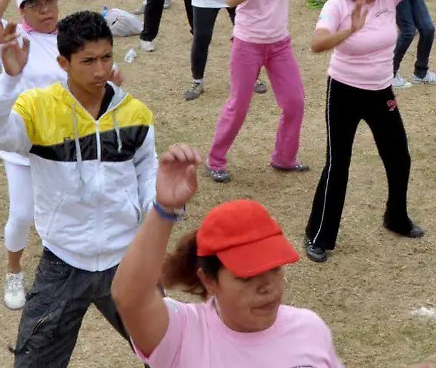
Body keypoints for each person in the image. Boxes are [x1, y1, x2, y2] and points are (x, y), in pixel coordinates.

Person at [0, 10, 156, 368]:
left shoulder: (135, 113)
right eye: (87, 61)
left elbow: (147, 170)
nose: (100, 71)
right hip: (64, 260)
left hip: (127, 261)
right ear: (63, 62)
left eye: (106, 58)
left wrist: (161, 203)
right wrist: (9, 81)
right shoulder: (37, 108)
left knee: (170, 355)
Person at [110, 144, 344, 367]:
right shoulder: (183, 335)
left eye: (274, 268)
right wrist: (164, 210)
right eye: (246, 277)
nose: (267, 287)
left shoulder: (310, 330)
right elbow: (129, 298)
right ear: (209, 280)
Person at [304, 0, 433, 263]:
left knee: (399, 156)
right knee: (338, 164)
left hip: (381, 91)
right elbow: (317, 45)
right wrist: (350, 30)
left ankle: (396, 217)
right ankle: (319, 235)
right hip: (344, 91)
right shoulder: (338, 5)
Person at [0, 0, 66, 309]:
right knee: (22, 214)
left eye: (51, 2)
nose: (46, 10)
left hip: (61, 142)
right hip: (22, 145)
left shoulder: (70, 36)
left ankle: (61, 269)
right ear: (23, 11)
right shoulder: (14, 38)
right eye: (37, 5)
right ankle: (14, 271)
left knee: (62, 210)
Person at [206, 0, 316, 182]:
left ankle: (284, 158)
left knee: (295, 103)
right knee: (239, 105)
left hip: (280, 44)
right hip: (247, 44)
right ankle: (215, 160)